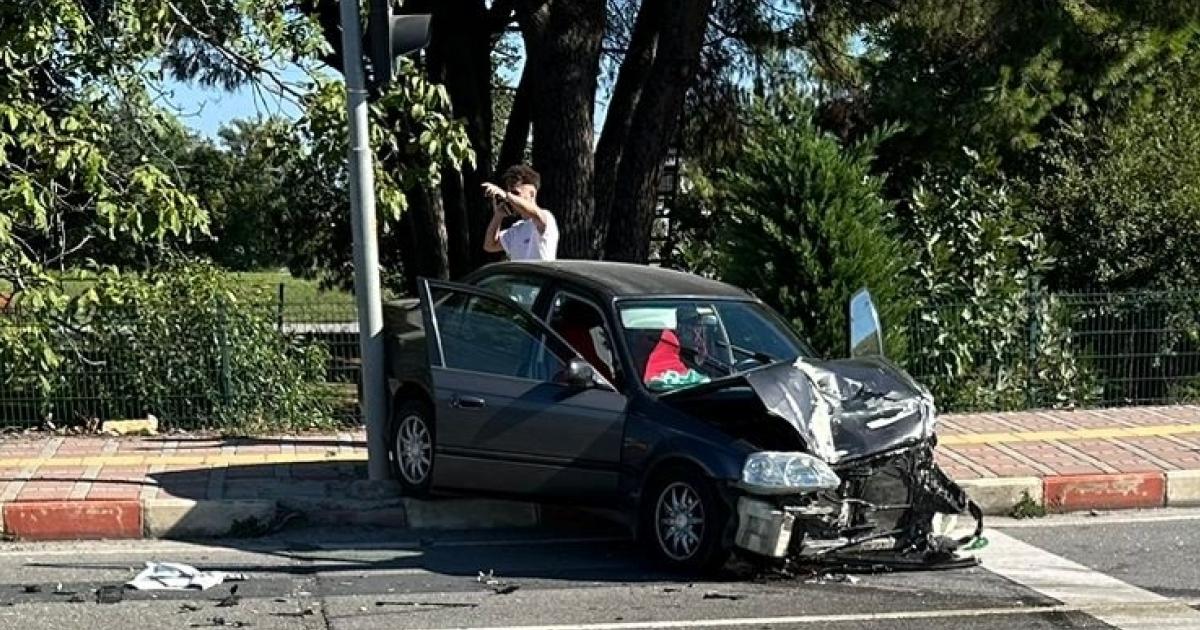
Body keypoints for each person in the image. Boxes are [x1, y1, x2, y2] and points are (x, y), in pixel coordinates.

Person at [483, 164, 559, 261]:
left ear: (532, 194)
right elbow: (490, 245)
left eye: (516, 193)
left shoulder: (546, 218)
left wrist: (506, 195)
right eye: (509, 192)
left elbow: (536, 215)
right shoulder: (516, 228)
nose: (511, 198)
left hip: (540, 276)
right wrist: (498, 215)